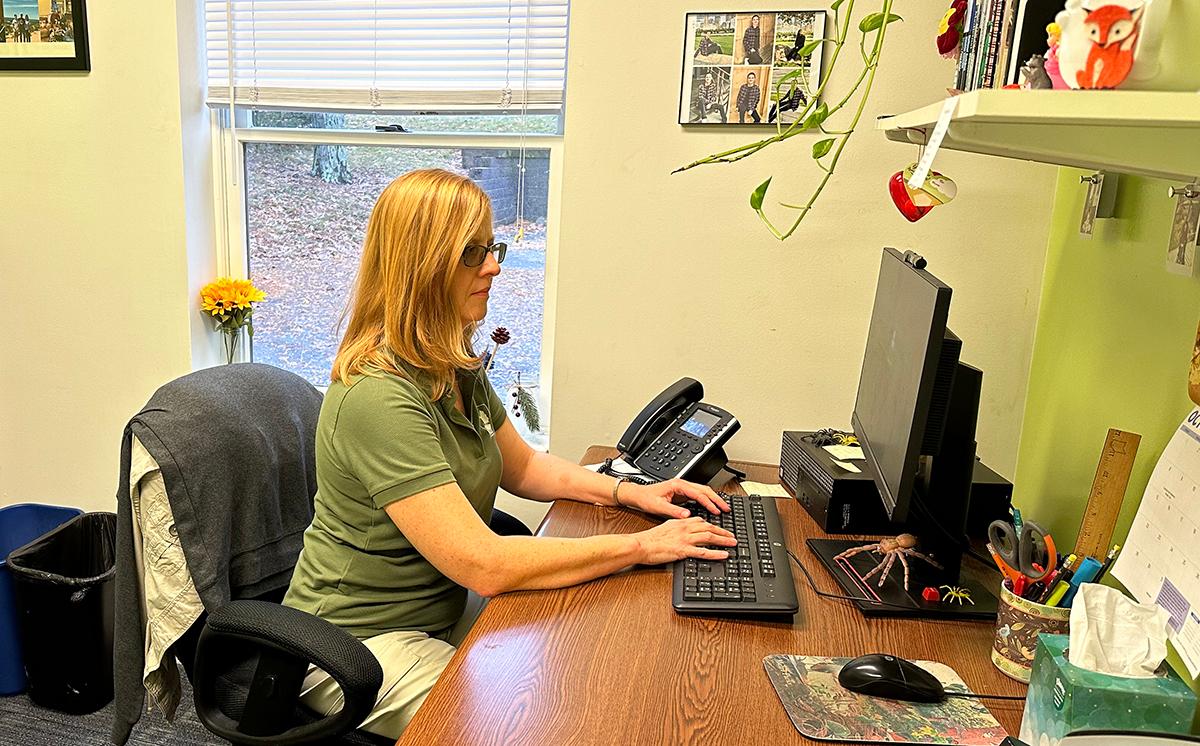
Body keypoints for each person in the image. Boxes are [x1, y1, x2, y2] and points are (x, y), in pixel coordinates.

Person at [283, 169, 736, 740]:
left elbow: (524, 467)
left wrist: (631, 491)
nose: (494, 267)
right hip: (353, 646)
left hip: (440, 612)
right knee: (532, 723)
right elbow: (485, 565)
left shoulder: (451, 364)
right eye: (472, 253)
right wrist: (642, 547)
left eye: (490, 249)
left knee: (581, 654)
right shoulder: (377, 395)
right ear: (422, 265)